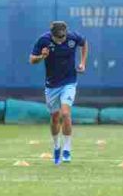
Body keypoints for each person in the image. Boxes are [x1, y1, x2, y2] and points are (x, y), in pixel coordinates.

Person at [30, 21, 88, 165]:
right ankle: (56, 146)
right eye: (58, 39)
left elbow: (84, 43)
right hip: (52, 86)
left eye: (63, 38)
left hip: (69, 82)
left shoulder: (73, 37)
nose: (61, 41)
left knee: (66, 113)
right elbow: (32, 60)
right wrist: (41, 57)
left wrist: (82, 62)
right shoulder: (43, 40)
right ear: (52, 35)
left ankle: (67, 148)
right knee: (55, 117)